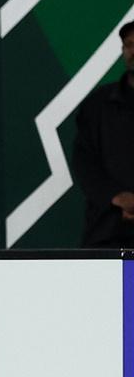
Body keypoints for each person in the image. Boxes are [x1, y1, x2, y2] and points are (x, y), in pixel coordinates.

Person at [73, 20, 134, 248]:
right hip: (109, 234)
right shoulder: (98, 105)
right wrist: (116, 197)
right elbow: (84, 161)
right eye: (129, 44)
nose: (133, 50)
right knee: (126, 271)